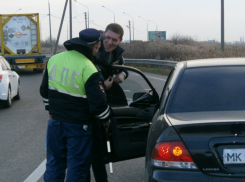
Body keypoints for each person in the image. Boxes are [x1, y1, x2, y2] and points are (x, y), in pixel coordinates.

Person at [40, 28, 111, 182]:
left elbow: (44, 92)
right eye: (99, 45)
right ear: (94, 46)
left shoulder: (54, 59)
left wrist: (51, 110)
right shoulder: (89, 68)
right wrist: (107, 119)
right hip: (78, 127)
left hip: (55, 124)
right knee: (77, 168)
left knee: (54, 165)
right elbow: (98, 106)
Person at [88, 23, 127, 182]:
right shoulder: (92, 49)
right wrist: (104, 85)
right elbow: (86, 82)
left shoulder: (118, 54)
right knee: (86, 152)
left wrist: (123, 75)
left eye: (114, 40)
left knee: (98, 151)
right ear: (103, 34)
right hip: (89, 106)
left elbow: (122, 68)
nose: (109, 42)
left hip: (105, 103)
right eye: (108, 38)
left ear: (120, 40)